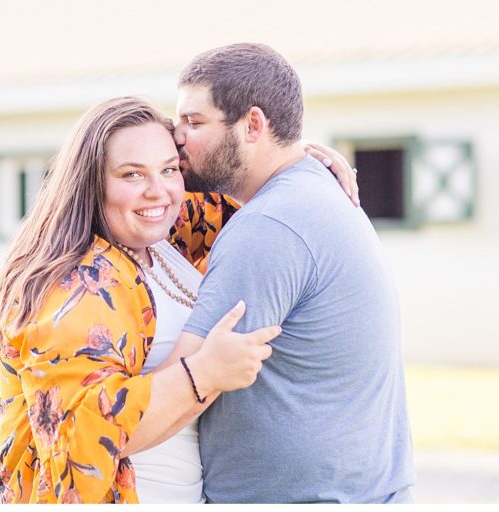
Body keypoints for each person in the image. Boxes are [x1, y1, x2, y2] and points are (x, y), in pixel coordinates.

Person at [0, 97, 355, 504]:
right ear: (89, 182)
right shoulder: (75, 284)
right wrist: (204, 372)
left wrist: (300, 164)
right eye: (131, 174)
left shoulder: (164, 239)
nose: (157, 191)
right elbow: (82, 437)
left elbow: (249, 195)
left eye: (169, 169)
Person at [164, 42, 415, 503]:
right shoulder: (317, 188)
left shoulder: (268, 226)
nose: (177, 138)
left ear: (253, 124)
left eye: (194, 123)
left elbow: (175, 392)